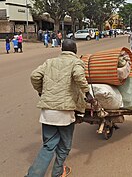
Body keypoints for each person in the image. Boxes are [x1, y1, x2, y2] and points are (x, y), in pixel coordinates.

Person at [25, 39, 93, 177]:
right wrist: (87, 93)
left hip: (47, 110)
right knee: (65, 145)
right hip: (65, 112)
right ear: (75, 51)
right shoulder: (76, 62)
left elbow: (35, 76)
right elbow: (79, 76)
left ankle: (33, 175)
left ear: (62, 49)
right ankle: (57, 173)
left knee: (48, 145)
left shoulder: (50, 62)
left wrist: (41, 90)